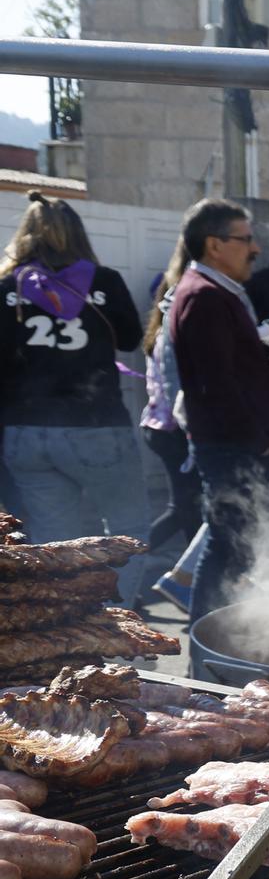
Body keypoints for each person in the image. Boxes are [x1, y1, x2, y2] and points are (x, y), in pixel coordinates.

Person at [0, 192, 151, 599]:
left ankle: (70, 627)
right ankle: (113, 627)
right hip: (96, 426)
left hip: (25, 432)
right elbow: (131, 339)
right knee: (127, 530)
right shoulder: (104, 281)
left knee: (54, 544)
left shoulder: (6, 286)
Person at [170, 198, 269, 620]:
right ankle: (208, 649)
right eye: (245, 239)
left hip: (236, 444)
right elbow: (217, 386)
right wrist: (256, 435)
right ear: (214, 245)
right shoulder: (205, 297)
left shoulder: (215, 294)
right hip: (231, 447)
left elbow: (229, 368)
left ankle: (212, 645)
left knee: (232, 546)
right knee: (230, 548)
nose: (255, 249)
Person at [138, 241, 204, 601]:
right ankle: (129, 561)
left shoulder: (160, 330)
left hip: (164, 427)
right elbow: (175, 386)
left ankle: (189, 573)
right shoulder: (168, 334)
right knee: (184, 508)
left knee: (190, 505)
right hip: (171, 430)